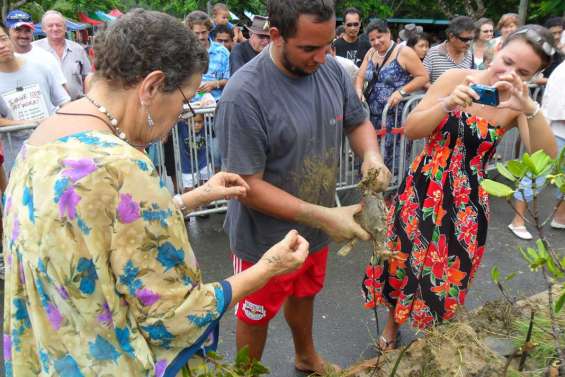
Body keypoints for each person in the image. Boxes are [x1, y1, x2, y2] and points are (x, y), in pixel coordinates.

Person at [2, 9, 309, 376]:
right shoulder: (122, 166)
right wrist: (268, 268)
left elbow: (87, 233)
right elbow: (173, 316)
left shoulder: (43, 136)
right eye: (185, 99)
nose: (180, 113)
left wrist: (190, 198)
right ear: (151, 87)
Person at [215, 0, 391, 373]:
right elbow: (246, 185)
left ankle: (305, 355)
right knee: (255, 312)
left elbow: (358, 122)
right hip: (264, 238)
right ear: (275, 36)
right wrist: (325, 215)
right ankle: (245, 373)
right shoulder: (243, 95)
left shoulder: (331, 71)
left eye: (328, 45)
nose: (322, 57)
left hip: (321, 222)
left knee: (305, 292)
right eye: (309, 48)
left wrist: (372, 157)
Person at [362, 25, 557, 351]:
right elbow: (411, 129)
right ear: (497, 47)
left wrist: (529, 108)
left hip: (465, 204)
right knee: (403, 260)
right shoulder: (456, 79)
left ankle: (433, 341)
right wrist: (447, 104)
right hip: (421, 189)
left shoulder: (516, 106)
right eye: (507, 61)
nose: (508, 74)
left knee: (447, 274)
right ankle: (393, 326)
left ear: (535, 76)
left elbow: (547, 160)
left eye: (523, 72)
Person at [355, 19, 428, 175]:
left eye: (379, 37)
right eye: (372, 39)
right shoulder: (371, 52)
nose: (376, 42)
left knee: (391, 160)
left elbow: (423, 77)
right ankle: (371, 193)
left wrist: (401, 92)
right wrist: (358, 91)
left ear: (389, 34)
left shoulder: (404, 52)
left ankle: (391, 194)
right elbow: (360, 76)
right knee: (370, 157)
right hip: (371, 117)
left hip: (394, 117)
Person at [0, 23, 70, 173]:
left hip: (52, 146)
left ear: (9, 38)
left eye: (3, 39)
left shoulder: (41, 66)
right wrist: (24, 123)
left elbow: (64, 102)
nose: (2, 46)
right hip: (18, 154)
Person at [33, 10, 92, 100]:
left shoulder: (78, 49)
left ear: (65, 28)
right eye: (50, 25)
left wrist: (88, 100)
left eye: (58, 25)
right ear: (43, 29)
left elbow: (88, 77)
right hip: (50, 109)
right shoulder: (34, 50)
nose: (55, 28)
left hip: (76, 105)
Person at [5, 9, 68, 94]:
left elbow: (63, 92)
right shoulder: (3, 59)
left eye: (27, 30)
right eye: (18, 30)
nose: (23, 35)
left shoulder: (46, 57)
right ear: (8, 31)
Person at [185, 10, 230, 103]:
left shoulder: (222, 52)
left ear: (209, 30)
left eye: (204, 32)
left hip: (218, 105)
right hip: (193, 107)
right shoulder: (184, 53)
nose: (201, 37)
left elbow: (231, 80)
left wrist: (216, 84)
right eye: (196, 33)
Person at [423, 16, 475, 83]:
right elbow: (423, 80)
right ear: (451, 36)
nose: (469, 43)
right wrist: (436, 91)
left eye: (471, 39)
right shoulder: (433, 53)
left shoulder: (469, 55)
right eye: (465, 39)